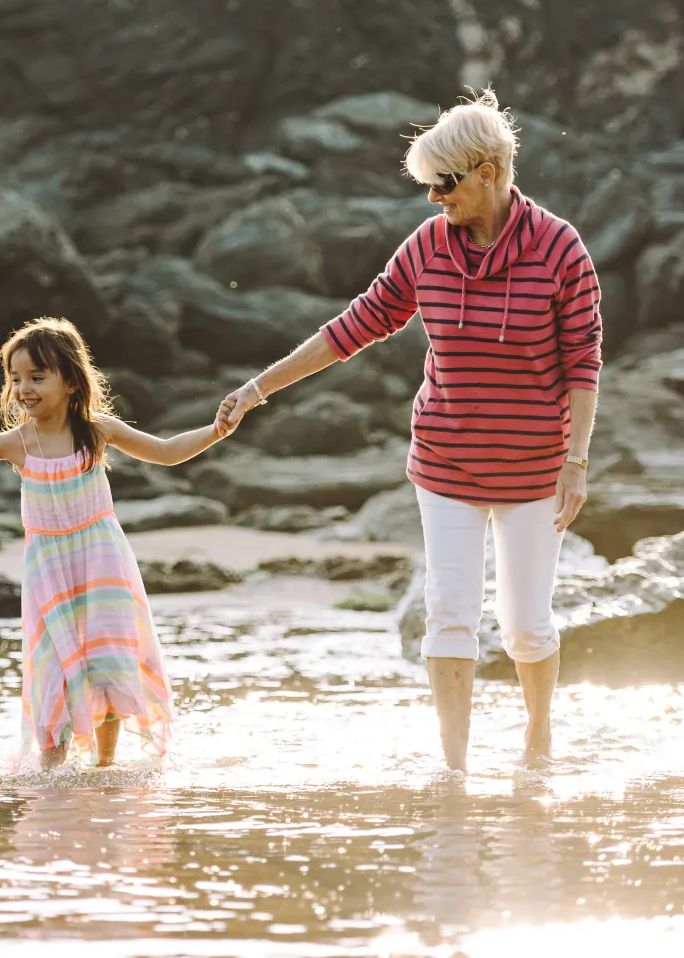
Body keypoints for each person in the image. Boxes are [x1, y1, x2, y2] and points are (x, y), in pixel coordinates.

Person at [215, 89, 602, 770]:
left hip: (534, 468)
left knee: (524, 625)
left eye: (443, 184)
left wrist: (577, 461)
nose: (433, 200)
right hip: (446, 463)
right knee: (450, 612)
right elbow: (352, 327)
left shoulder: (561, 249)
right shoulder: (428, 248)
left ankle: (537, 743)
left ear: (487, 172)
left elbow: (583, 361)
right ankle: (454, 765)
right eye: (426, 186)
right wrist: (259, 387)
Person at [0, 317, 236, 768]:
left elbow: (167, 451)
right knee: (54, 665)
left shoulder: (97, 430)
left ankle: (105, 766)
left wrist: (215, 431)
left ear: (69, 379)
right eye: (15, 378)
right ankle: (51, 771)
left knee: (108, 655)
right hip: (48, 568)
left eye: (37, 377)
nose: (24, 388)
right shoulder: (15, 443)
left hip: (103, 562)